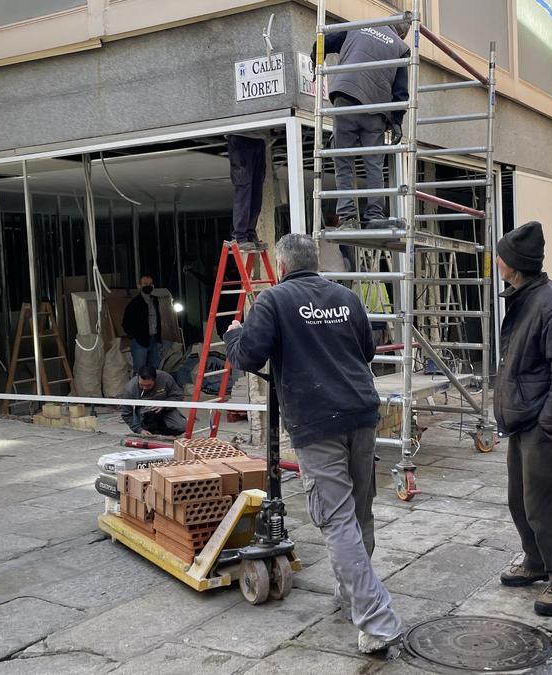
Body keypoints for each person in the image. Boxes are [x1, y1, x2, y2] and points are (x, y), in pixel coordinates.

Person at [224, 233, 402, 654]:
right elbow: (367, 351)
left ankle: (376, 620)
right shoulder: (347, 298)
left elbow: (249, 355)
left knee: (337, 520)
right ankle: (351, 593)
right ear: (315, 262)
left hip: (317, 421)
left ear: (282, 267)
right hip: (361, 412)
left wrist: (234, 333)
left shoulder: (274, 301)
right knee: (360, 511)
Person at [493, 221, 552, 617]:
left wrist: (548, 425)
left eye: (501, 258)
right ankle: (535, 560)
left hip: (542, 424)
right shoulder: (524, 298)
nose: (496, 262)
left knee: (543, 503)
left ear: (515, 265)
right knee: (520, 499)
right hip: (523, 420)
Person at [318, 23, 410, 229]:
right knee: (374, 163)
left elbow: (324, 42)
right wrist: (397, 122)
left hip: (345, 98)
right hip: (374, 108)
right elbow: (401, 91)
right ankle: (375, 217)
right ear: (403, 32)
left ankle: (348, 218)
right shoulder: (400, 46)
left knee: (343, 161)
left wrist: (316, 63)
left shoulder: (357, 28)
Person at [227, 131, 271, 247]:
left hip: (259, 139)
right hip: (240, 137)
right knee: (244, 188)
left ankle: (250, 233)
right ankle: (239, 236)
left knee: (257, 190)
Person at [119, 366, 186, 437]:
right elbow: (126, 413)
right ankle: (150, 428)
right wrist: (139, 430)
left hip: (166, 408)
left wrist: (165, 405)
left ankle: (164, 429)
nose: (144, 388)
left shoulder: (166, 379)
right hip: (145, 412)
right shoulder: (131, 388)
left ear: (155, 379)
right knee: (148, 416)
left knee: (182, 427)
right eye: (142, 385)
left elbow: (178, 396)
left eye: (148, 385)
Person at [122, 275, 161, 372]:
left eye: (150, 284)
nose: (148, 286)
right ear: (139, 286)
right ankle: (138, 387)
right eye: (145, 284)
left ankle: (152, 387)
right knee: (140, 369)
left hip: (153, 339)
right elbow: (125, 324)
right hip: (140, 342)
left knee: (154, 369)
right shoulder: (134, 304)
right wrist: (135, 336)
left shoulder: (154, 301)